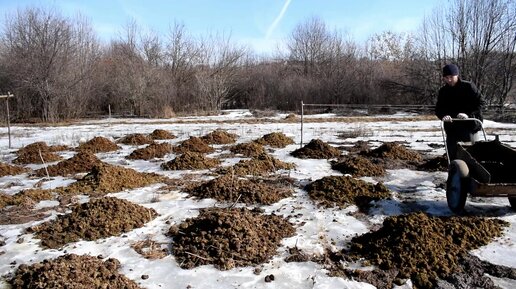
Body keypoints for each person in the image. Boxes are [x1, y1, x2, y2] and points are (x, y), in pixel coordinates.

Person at [435, 64, 485, 160]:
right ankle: (454, 173)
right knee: (453, 156)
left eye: (451, 77)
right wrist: (443, 116)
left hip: (469, 126)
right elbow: (438, 109)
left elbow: (481, 103)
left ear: (457, 75)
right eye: (446, 77)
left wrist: (468, 114)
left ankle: (472, 173)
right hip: (452, 128)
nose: (449, 80)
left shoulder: (468, 87)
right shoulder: (443, 91)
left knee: (471, 156)